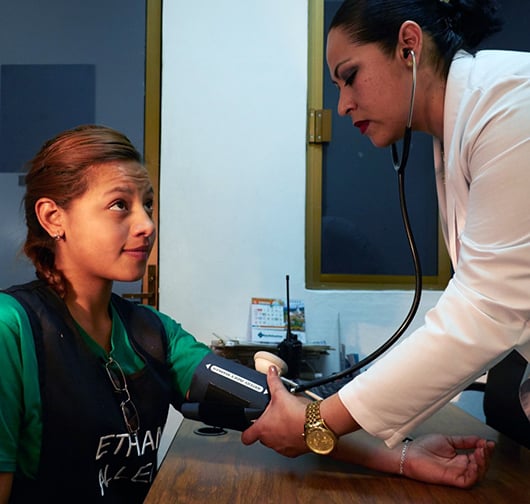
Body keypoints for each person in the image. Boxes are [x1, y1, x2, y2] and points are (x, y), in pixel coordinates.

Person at [0, 124, 495, 502]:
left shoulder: (152, 334)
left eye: (147, 204)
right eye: (119, 205)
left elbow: (279, 410)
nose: (147, 224)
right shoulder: (12, 330)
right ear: (53, 217)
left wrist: (404, 458)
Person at [242, 0, 530, 465]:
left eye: (349, 75)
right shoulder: (456, 131)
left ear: (408, 46)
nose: (342, 106)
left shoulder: (512, 104)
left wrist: (317, 422)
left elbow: (484, 311)